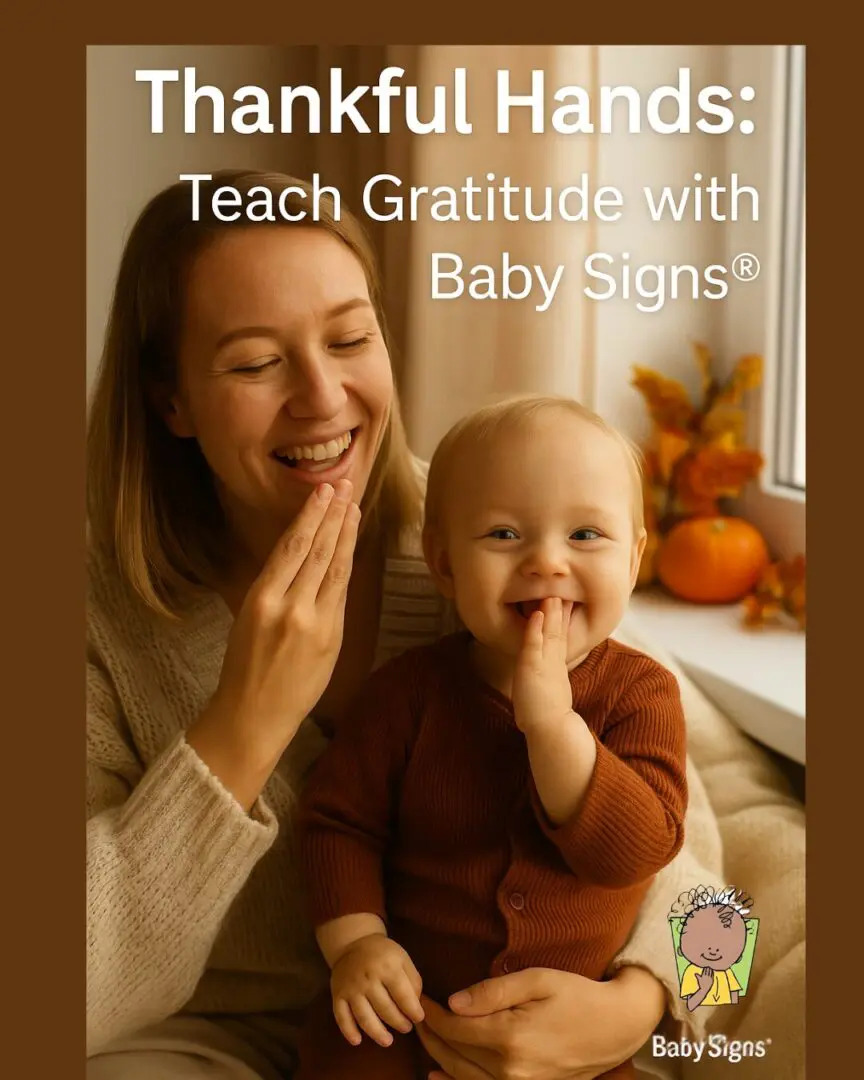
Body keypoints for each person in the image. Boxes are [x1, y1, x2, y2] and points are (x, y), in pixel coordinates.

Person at [86, 169, 799, 1080]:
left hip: (531, 1034)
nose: (321, 396)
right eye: (257, 361)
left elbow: (711, 886)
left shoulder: (503, 540)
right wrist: (241, 730)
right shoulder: (97, 616)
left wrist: (642, 1004)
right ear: (170, 398)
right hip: (218, 1037)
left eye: (350, 338)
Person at [294, 396, 690, 1080]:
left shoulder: (643, 694)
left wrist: (554, 730)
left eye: (587, 535)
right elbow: (337, 824)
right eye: (504, 535)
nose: (547, 562)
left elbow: (643, 850)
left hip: (578, 1046)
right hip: (411, 1017)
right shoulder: (406, 692)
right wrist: (358, 945)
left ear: (634, 560)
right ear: (443, 565)